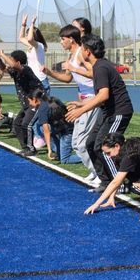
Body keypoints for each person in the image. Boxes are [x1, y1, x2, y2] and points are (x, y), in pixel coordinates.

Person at [65, 34, 133, 191]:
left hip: (119, 112)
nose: (80, 51)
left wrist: (81, 110)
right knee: (91, 143)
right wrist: (81, 103)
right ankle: (106, 181)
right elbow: (101, 97)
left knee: (104, 145)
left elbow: (104, 95)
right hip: (108, 111)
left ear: (87, 51)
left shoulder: (101, 67)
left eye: (82, 48)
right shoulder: (98, 66)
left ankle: (120, 182)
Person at [43, 25, 100, 183]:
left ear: (71, 39)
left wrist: (73, 67)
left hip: (91, 100)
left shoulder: (81, 53)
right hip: (82, 101)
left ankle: (99, 173)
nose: (61, 42)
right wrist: (50, 72)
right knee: (76, 141)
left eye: (63, 39)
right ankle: (94, 171)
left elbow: (95, 72)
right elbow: (68, 78)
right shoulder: (71, 57)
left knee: (81, 141)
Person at [0, 49, 43, 155]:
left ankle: (32, 149)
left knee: (27, 124)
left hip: (36, 101)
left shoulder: (26, 69)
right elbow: (3, 68)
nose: (10, 62)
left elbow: (14, 65)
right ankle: (25, 147)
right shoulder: (15, 71)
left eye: (12, 60)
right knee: (17, 124)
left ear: (18, 62)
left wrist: (3, 54)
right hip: (26, 103)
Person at [19, 14, 50, 96]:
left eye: (28, 34)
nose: (26, 36)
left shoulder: (39, 45)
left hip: (40, 80)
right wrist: (23, 24)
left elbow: (29, 39)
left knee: (43, 106)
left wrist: (32, 23)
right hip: (32, 79)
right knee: (33, 106)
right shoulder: (31, 46)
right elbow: (21, 38)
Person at [45, 97, 80, 164]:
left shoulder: (64, 116)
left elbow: (47, 131)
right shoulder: (60, 109)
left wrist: (49, 150)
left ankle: (88, 157)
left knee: (65, 159)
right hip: (63, 131)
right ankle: (58, 151)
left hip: (67, 133)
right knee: (49, 131)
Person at [25, 89, 54, 159]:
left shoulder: (43, 109)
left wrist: (49, 150)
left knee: (64, 159)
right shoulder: (45, 103)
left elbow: (46, 130)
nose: (30, 104)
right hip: (61, 128)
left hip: (65, 130)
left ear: (34, 99)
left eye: (30, 101)